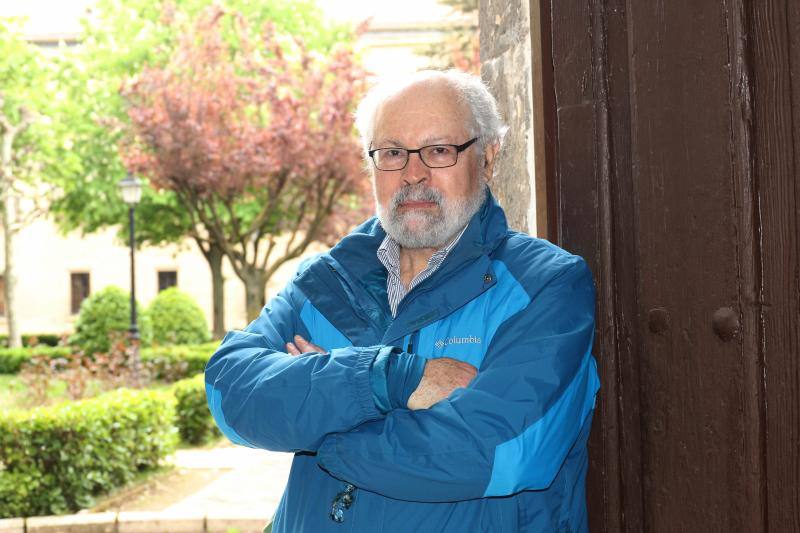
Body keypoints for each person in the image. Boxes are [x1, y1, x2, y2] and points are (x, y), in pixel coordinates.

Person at [205, 70, 600, 532]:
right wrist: (390, 378)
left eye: (438, 151)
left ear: (488, 158)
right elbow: (231, 392)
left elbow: (492, 453)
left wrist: (320, 424)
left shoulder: (546, 285)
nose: (413, 174)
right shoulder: (328, 281)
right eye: (392, 153)